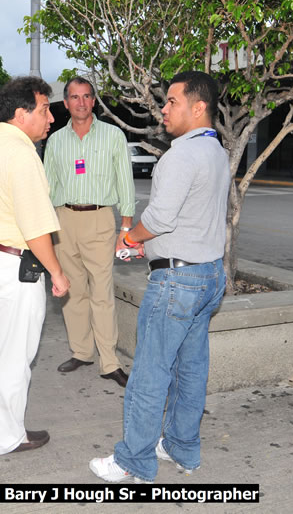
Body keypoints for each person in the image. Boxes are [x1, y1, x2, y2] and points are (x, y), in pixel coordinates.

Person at [89, 71, 229, 483]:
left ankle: (133, 461)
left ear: (198, 107)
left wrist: (129, 237)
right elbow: (187, 216)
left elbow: (161, 217)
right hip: (208, 277)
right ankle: (182, 449)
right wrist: (147, 245)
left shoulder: (180, 155)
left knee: (150, 374)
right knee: (191, 370)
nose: (163, 110)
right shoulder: (216, 150)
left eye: (171, 102)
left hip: (177, 284)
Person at [0, 76, 70, 455]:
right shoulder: (21, 153)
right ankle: (7, 437)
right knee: (14, 357)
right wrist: (56, 271)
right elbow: (36, 228)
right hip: (10, 266)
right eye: (44, 110)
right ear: (22, 114)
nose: (51, 118)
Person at [43, 76, 136, 388]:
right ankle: (82, 352)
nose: (80, 102)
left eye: (86, 96)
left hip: (99, 221)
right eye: (74, 97)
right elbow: (48, 187)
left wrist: (125, 228)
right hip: (63, 220)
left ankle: (109, 362)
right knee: (71, 291)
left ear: (93, 101)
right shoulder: (55, 141)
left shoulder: (113, 136)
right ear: (65, 103)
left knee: (101, 293)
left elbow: (125, 182)